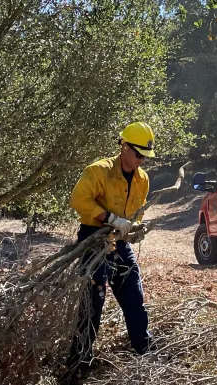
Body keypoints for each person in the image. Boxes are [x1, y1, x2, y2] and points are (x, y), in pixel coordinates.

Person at [60, 122, 157, 384]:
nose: (141, 161)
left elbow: (138, 211)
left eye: (144, 157)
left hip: (119, 243)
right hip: (93, 240)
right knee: (93, 301)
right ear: (124, 147)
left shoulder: (142, 179)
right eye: (138, 155)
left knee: (134, 296)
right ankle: (79, 363)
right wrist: (111, 218)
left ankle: (144, 351)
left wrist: (134, 227)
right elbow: (79, 200)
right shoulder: (98, 171)